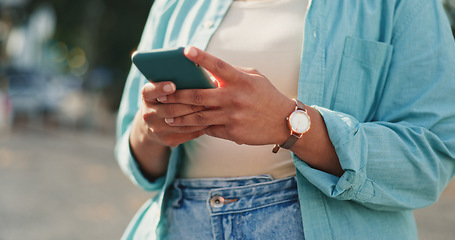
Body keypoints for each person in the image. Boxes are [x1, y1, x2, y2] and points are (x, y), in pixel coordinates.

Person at [115, 0, 455, 239]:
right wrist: (152, 130)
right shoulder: (175, 4)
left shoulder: (402, 4)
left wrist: (289, 123)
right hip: (181, 225)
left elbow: (431, 159)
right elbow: (136, 158)